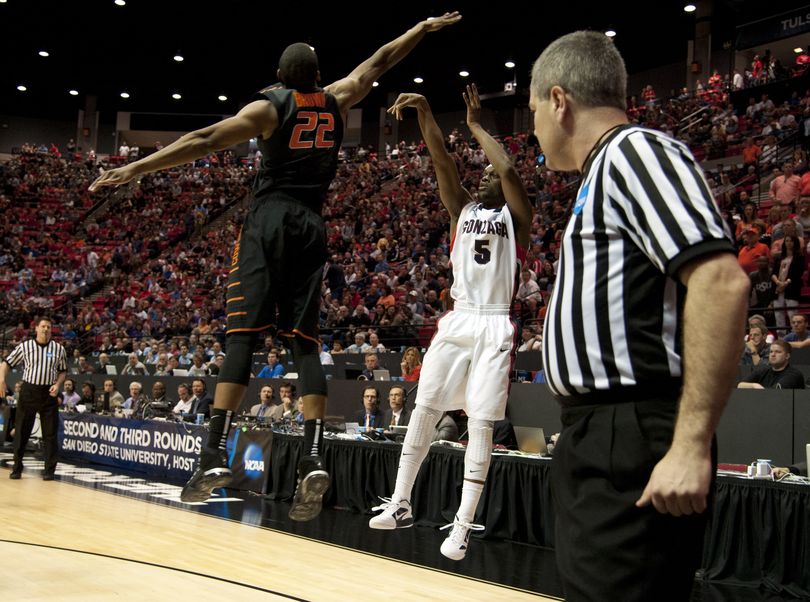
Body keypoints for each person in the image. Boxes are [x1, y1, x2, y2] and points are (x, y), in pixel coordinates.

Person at [88, 11, 461, 520]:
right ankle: (312, 456)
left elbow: (203, 141)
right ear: (315, 74)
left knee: (241, 336)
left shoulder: (269, 109)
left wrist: (133, 167)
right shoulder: (338, 99)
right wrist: (421, 29)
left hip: (270, 220)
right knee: (303, 342)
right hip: (313, 225)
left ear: (281, 77)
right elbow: (378, 63)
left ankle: (213, 453)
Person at [528, 32, 749, 601]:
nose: (532, 129)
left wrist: (690, 444)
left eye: (532, 111)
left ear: (559, 101)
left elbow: (721, 282)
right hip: (601, 432)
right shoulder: (601, 172)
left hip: (630, 429)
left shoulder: (634, 152)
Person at [369, 84, 531, 562]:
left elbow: (508, 168)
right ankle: (400, 502)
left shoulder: (517, 218)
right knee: (424, 407)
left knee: (480, 424)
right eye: (479, 174)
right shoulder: (463, 211)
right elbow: (441, 159)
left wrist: (477, 125)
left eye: (488, 176)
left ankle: (461, 527)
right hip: (459, 318)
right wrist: (425, 112)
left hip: (494, 322)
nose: (483, 177)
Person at [0, 317, 68, 480]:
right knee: (22, 431)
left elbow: (63, 371)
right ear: (36, 328)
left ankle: (49, 471)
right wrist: (2, 380)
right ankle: (17, 468)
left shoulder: (59, 349)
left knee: (50, 433)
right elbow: (7, 363)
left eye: (49, 327)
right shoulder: (26, 346)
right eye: (43, 326)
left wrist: (58, 385)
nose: (46, 329)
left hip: (49, 392)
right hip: (29, 390)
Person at [737, 340, 805, 389]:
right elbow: (740, 385)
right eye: (771, 352)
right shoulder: (763, 371)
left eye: (777, 352)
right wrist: (754, 385)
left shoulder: (794, 375)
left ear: (787, 356)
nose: (773, 354)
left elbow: (774, 392)